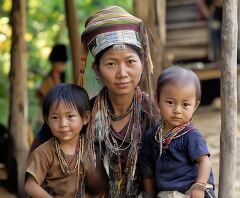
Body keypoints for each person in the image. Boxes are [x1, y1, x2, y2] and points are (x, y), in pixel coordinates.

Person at [30, 6, 159, 198]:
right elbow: (35, 165)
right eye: (111, 64)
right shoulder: (80, 115)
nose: (122, 73)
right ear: (96, 69)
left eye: (130, 62)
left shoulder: (156, 114)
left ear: (142, 62)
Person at [139, 66, 215, 198]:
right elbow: (147, 168)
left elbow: (204, 162)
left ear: (195, 106)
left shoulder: (191, 135)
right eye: (170, 102)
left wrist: (199, 186)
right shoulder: (152, 135)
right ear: (157, 100)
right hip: (168, 193)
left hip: (193, 189)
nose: (177, 110)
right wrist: (149, 193)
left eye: (185, 105)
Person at [25, 83, 91, 197]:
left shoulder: (92, 147)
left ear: (85, 118)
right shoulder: (45, 152)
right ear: (47, 120)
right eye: (55, 117)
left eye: (70, 116)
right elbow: (30, 185)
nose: (63, 124)